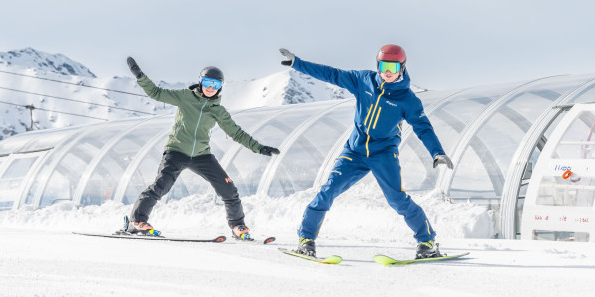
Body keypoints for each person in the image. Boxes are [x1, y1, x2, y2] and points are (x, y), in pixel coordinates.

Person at [279, 45, 453, 258]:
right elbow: (332, 74)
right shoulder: (364, 80)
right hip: (354, 151)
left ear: (402, 67)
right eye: (383, 65)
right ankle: (306, 239)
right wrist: (298, 64)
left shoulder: (407, 100)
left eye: (392, 66)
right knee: (328, 191)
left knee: (397, 200)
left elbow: (423, 127)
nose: (387, 71)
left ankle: (427, 242)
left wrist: (437, 152)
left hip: (384, 154)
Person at [122, 57, 280, 239]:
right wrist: (140, 75)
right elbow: (156, 93)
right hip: (176, 151)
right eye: (207, 82)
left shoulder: (218, 111)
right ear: (200, 82)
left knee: (229, 190)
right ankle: (137, 221)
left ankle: (238, 226)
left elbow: (237, 133)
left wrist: (259, 148)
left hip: (201, 156)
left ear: (220, 86)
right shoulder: (185, 97)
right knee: (161, 186)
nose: (210, 87)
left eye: (215, 84)